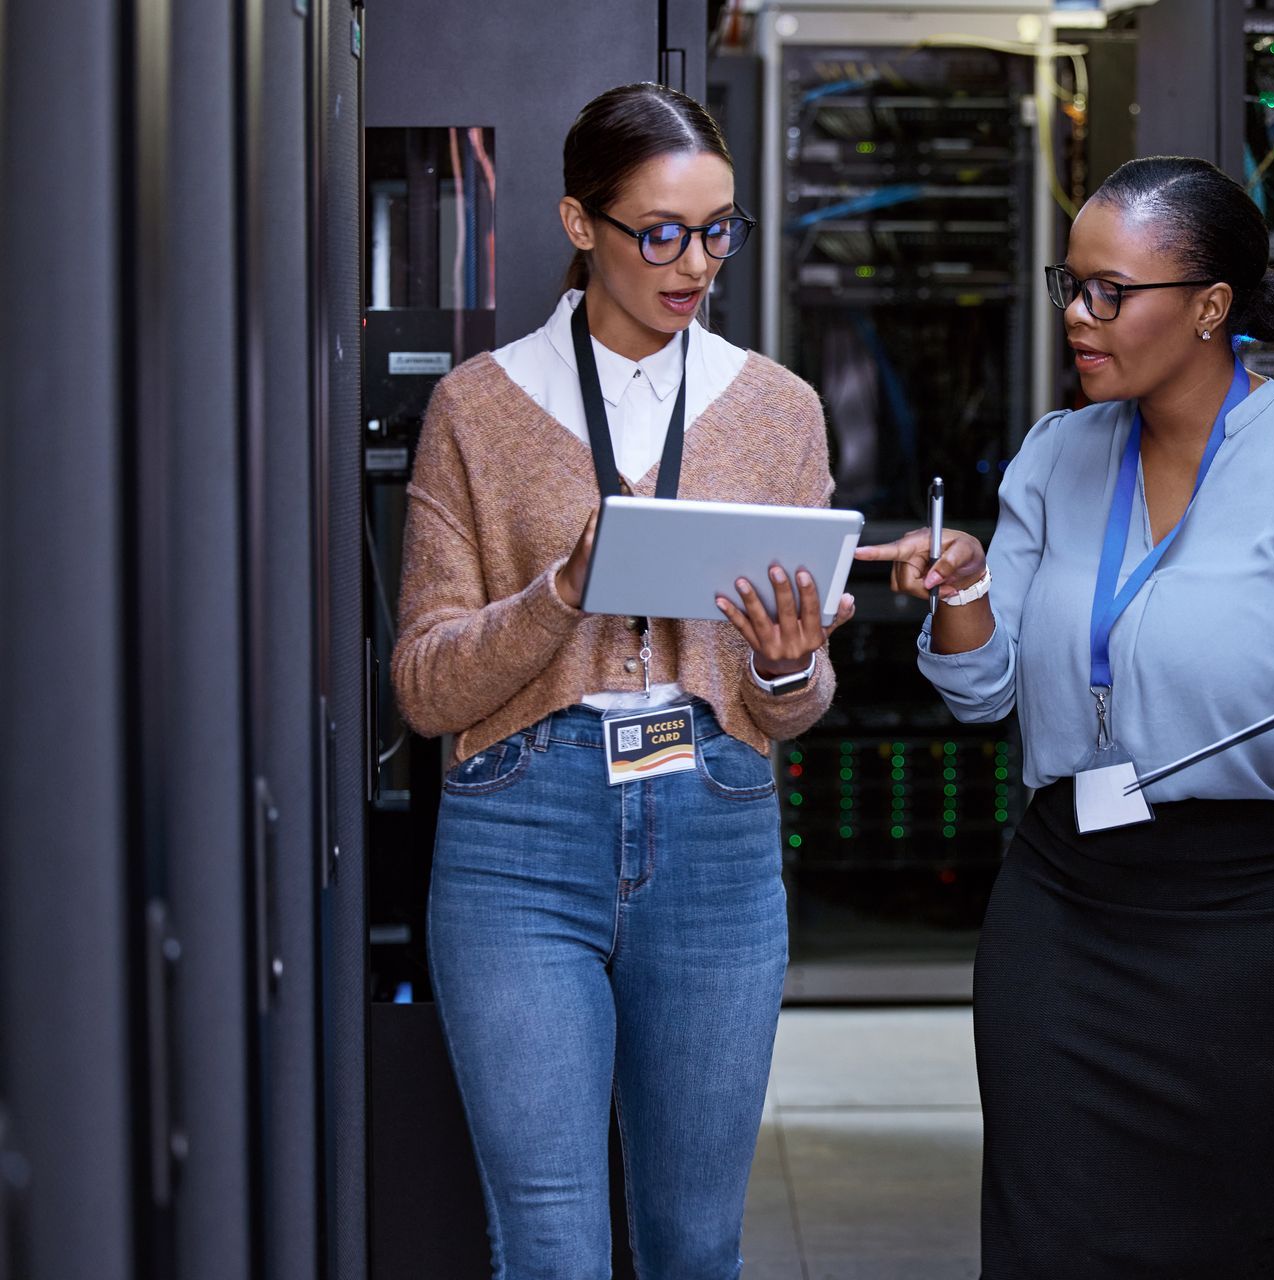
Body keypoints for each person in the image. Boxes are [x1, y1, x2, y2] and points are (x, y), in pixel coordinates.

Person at [855, 155, 1274, 1277]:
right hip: (1068, 902)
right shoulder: (1053, 455)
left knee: (1215, 1248)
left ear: (1209, 306)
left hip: (1263, 922)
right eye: (1071, 285)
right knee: (1043, 1242)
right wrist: (967, 594)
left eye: (1110, 292)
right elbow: (983, 691)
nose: (1080, 317)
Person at [391, 82, 852, 1279]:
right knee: (549, 1240)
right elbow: (427, 687)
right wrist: (563, 589)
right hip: (518, 837)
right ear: (579, 223)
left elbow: (789, 711)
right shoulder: (477, 410)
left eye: (719, 229)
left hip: (717, 832)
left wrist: (789, 660)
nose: (694, 261)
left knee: (696, 1241)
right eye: (661, 231)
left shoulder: (779, 410)